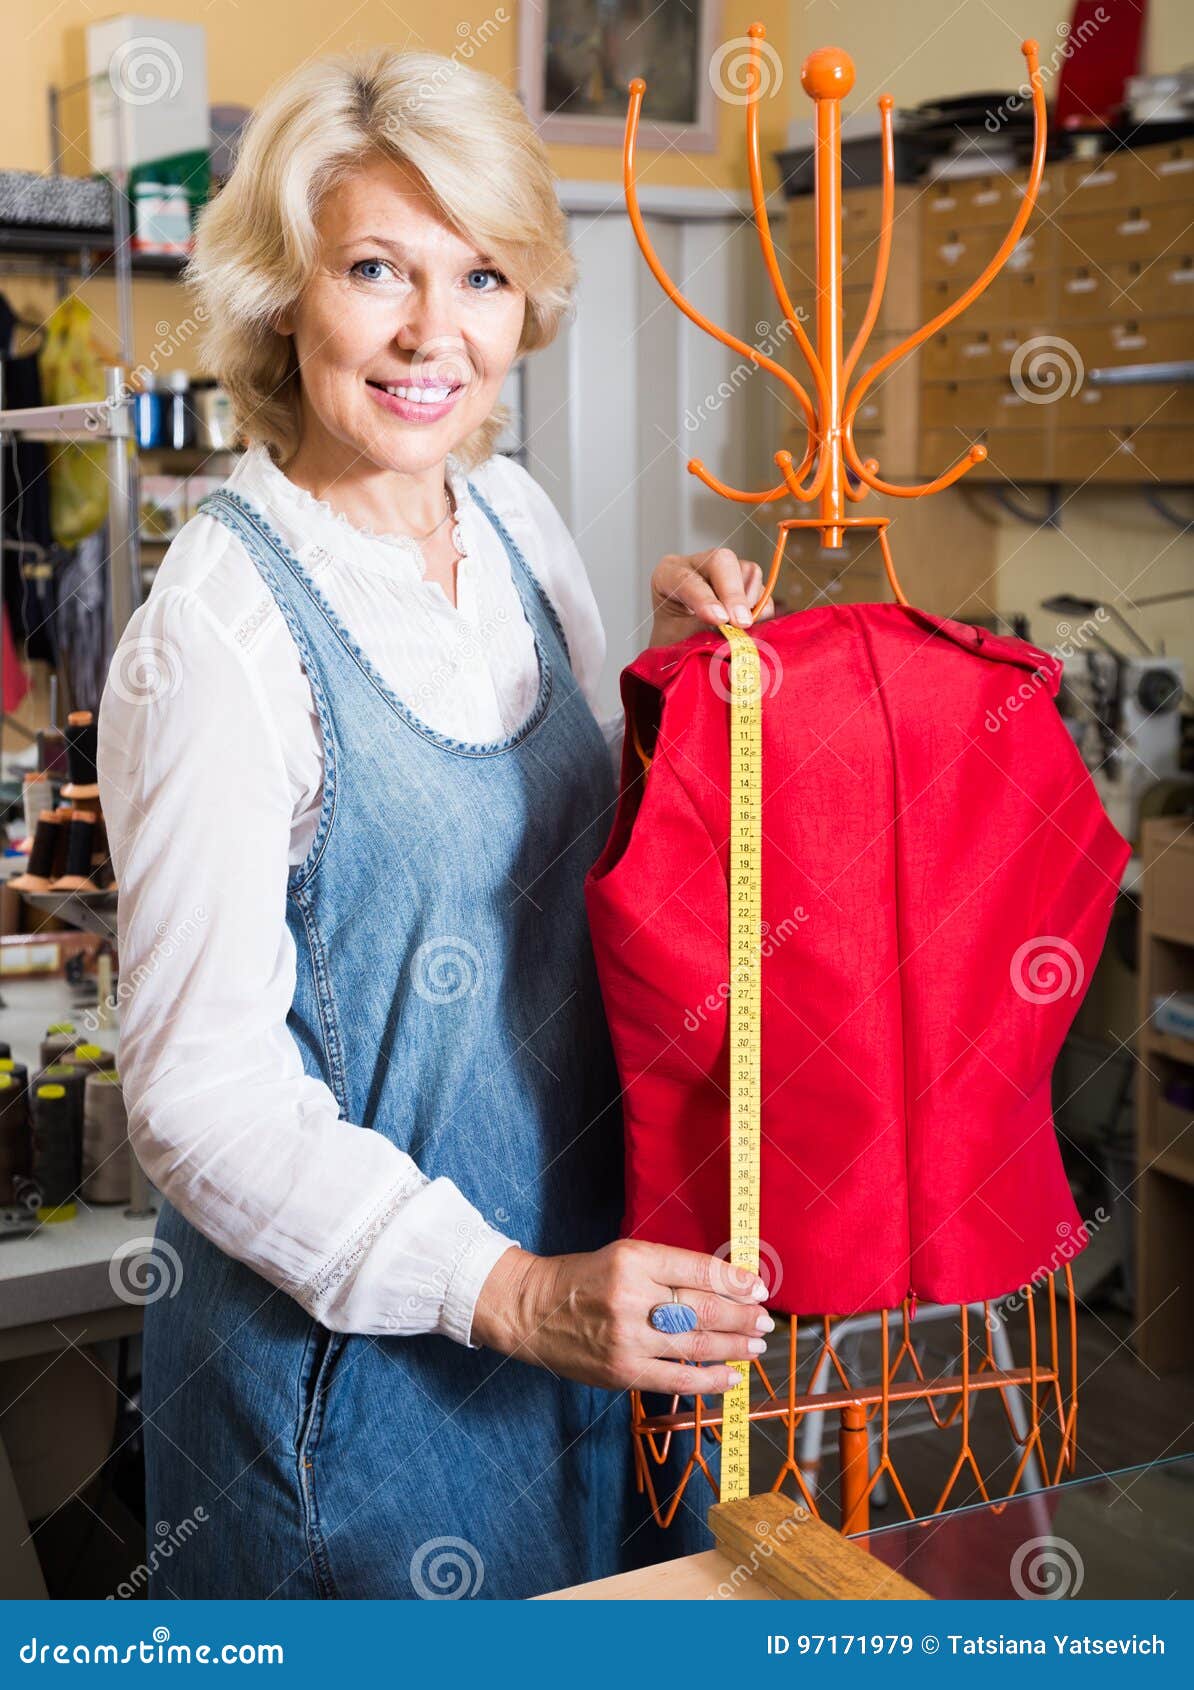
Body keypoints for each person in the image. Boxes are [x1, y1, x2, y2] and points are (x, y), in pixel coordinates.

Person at [98, 45, 774, 1601]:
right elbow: (198, 1095)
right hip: (355, 1400)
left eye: (478, 275)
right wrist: (512, 1294)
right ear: (282, 293)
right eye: (375, 269)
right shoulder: (218, 629)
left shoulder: (519, 519)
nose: (432, 333)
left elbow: (580, 883)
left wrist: (685, 693)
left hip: (588, 1332)